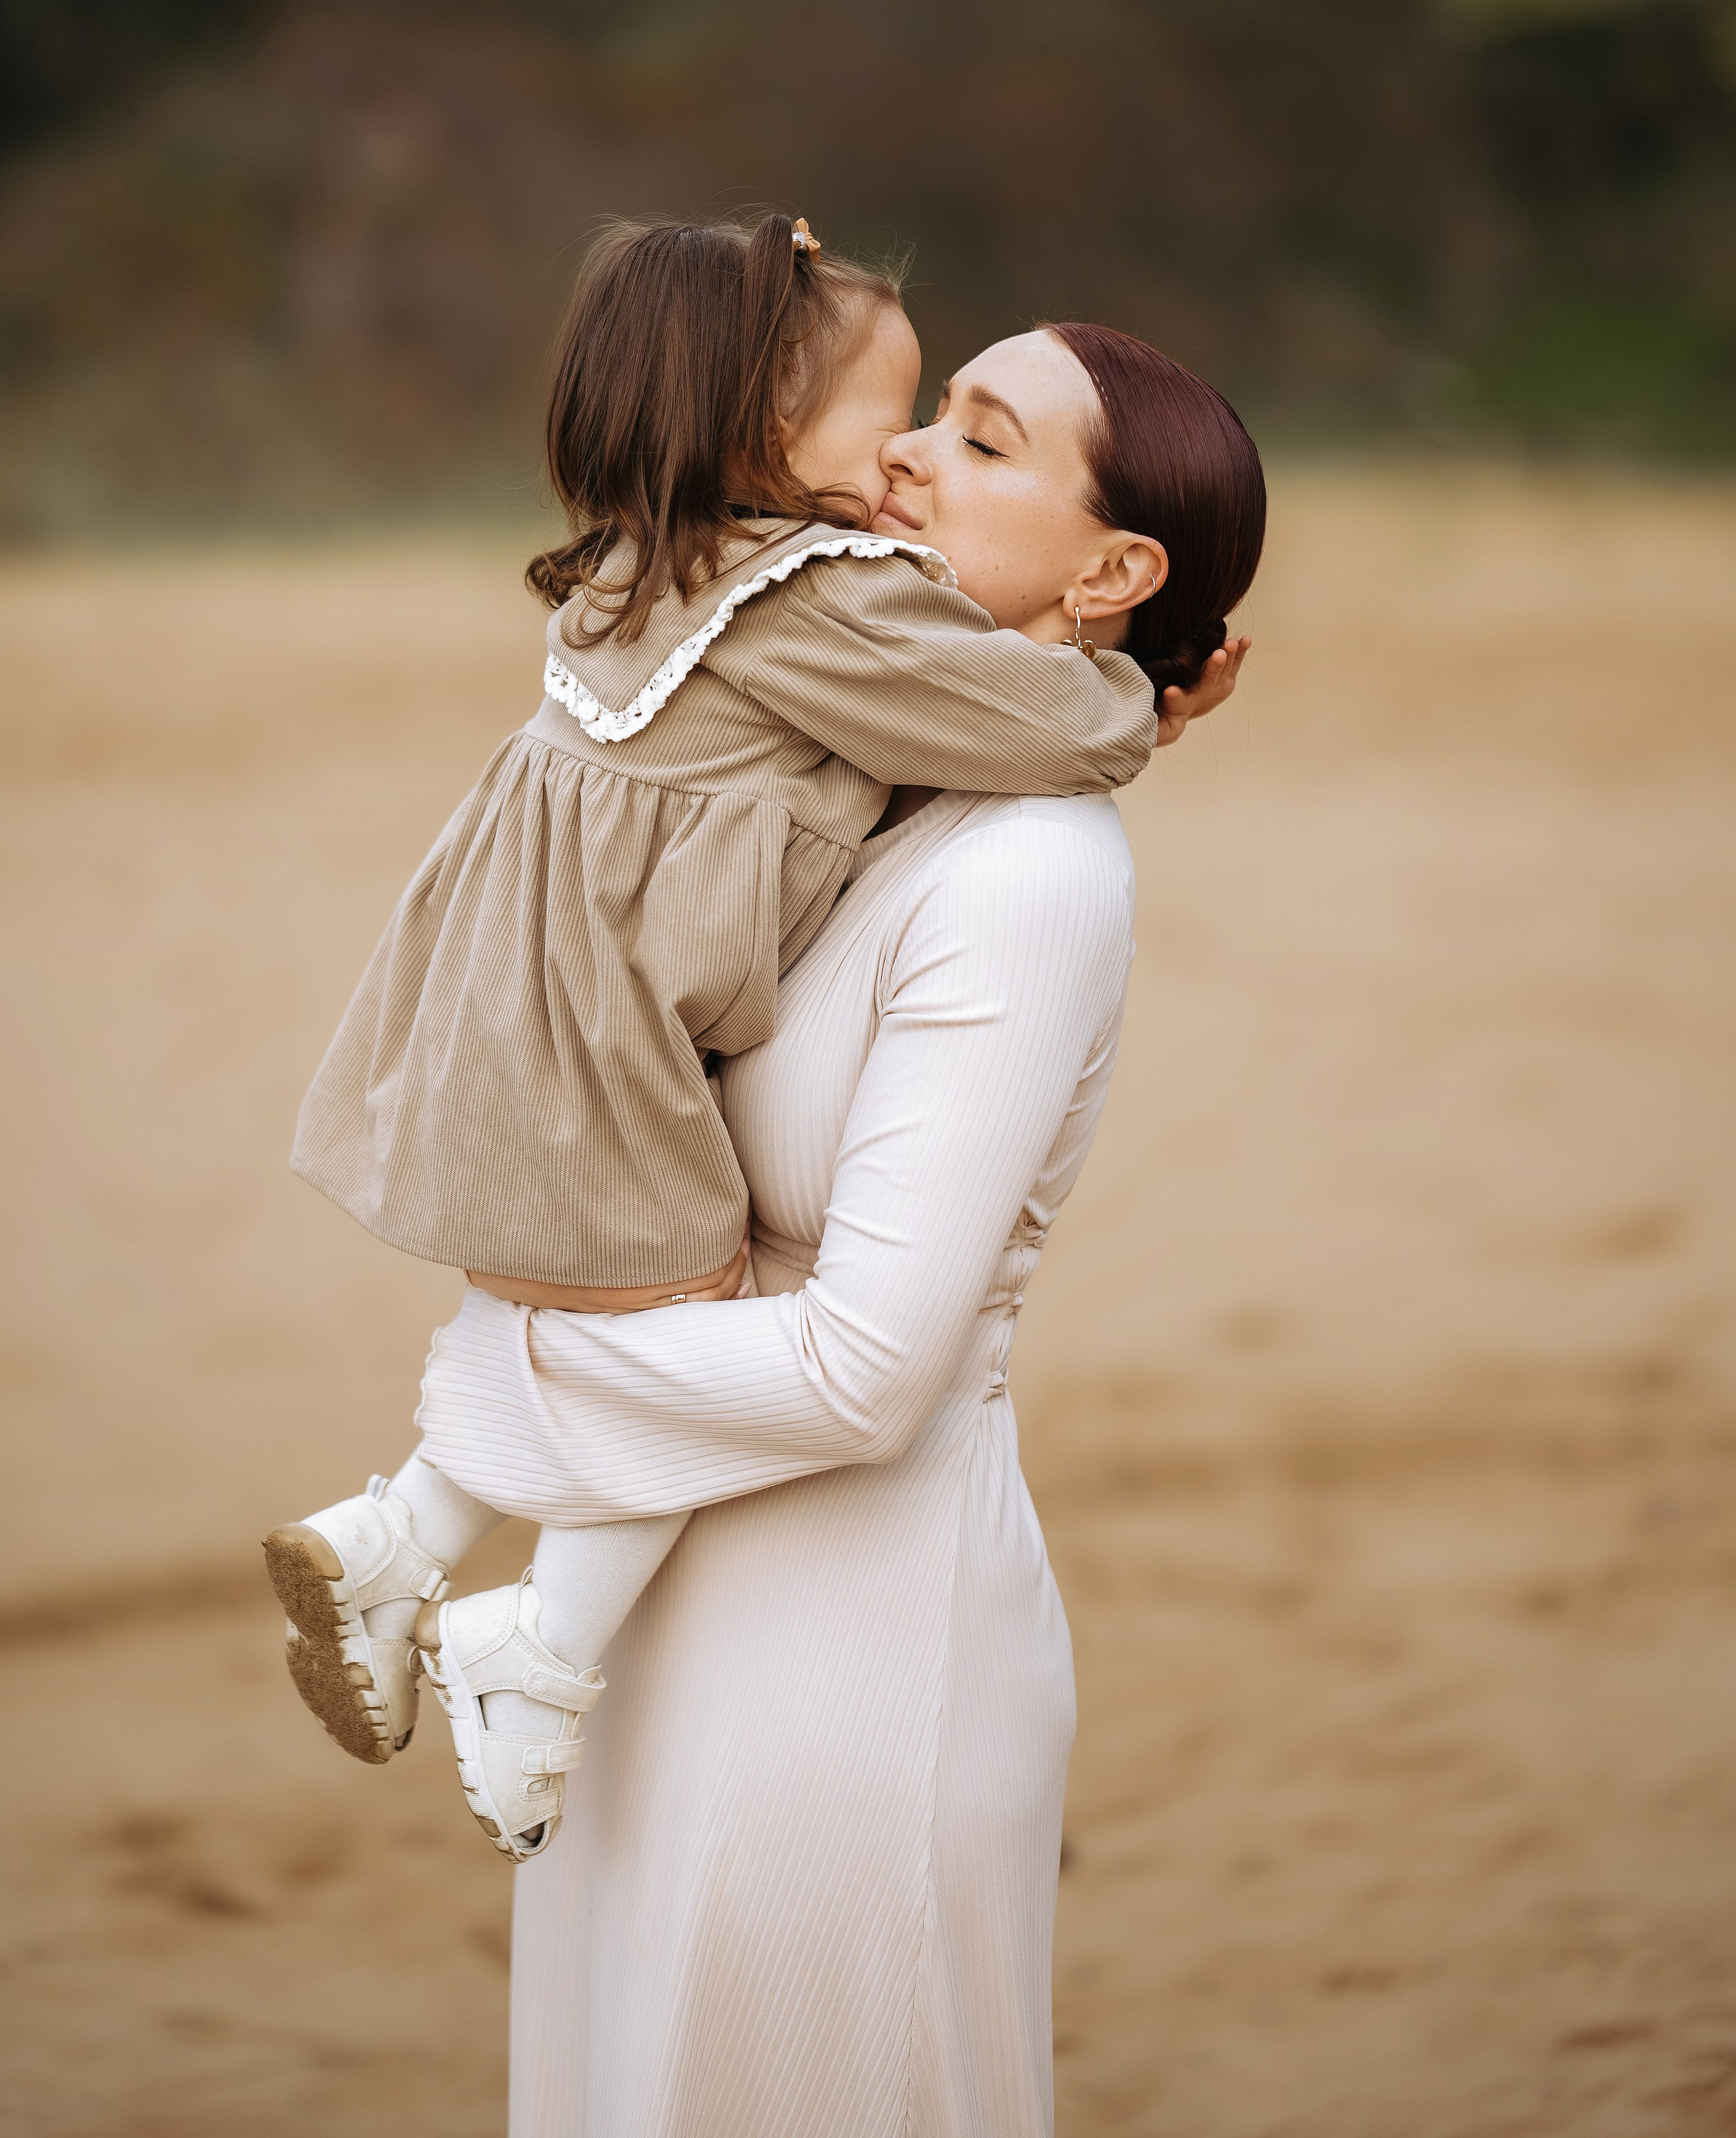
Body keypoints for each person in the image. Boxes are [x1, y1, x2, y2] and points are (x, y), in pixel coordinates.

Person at [412, 318, 1265, 2136]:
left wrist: (494, 1388)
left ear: (1113, 572)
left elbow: (867, 1369)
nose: (904, 458)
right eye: (927, 413)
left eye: (982, 440)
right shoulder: (836, 773)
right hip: (633, 1620)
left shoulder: (1032, 872)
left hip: (848, 1660)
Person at [266, 215, 1165, 1859]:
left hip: (504, 1013)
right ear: (765, 438)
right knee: (698, 1307)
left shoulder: (648, 559)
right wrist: (1139, 698)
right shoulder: (822, 601)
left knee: (584, 1284)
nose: (903, 459)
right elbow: (1020, 722)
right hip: (609, 1046)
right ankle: (537, 1644)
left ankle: (406, 1533)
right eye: (890, 420)